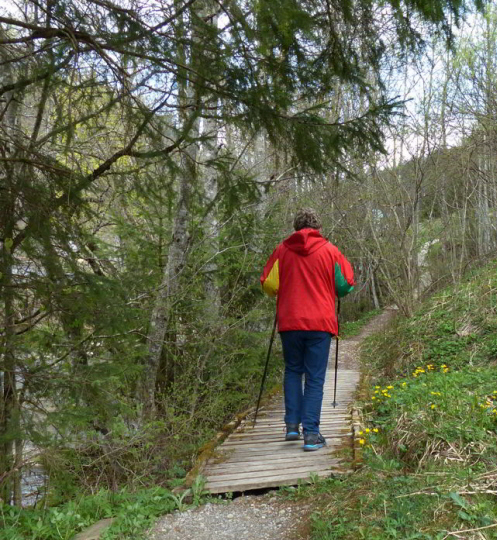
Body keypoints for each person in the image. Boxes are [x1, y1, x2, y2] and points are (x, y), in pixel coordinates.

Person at [260, 208, 355, 451]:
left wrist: (283, 290)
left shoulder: (282, 251)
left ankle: (292, 425)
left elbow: (269, 285)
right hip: (320, 323)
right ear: (318, 227)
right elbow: (345, 285)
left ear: (295, 227)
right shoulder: (330, 251)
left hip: (290, 321)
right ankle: (311, 434)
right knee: (314, 378)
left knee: (293, 370)